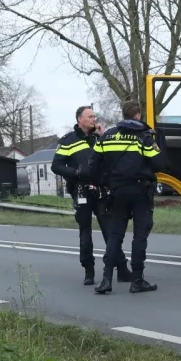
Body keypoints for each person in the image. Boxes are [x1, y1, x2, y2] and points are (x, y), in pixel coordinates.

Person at [87, 100, 165, 294]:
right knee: (139, 235)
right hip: (140, 192)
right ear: (138, 115)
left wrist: (104, 183)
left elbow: (93, 164)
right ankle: (137, 280)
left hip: (116, 192)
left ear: (123, 115)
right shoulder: (144, 137)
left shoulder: (106, 136)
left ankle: (106, 279)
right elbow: (159, 164)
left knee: (115, 235)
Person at [51, 105, 131, 285]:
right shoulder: (68, 141)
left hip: (101, 191)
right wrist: (76, 172)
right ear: (80, 119)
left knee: (110, 231)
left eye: (94, 116)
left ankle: (122, 268)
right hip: (81, 191)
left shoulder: (99, 138)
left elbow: (113, 158)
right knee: (85, 232)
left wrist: (104, 136)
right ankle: (89, 271)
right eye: (90, 117)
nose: (94, 119)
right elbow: (56, 166)